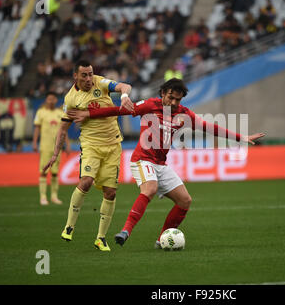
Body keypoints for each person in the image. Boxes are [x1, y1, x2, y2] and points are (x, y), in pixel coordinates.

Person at [66, 78, 265, 249]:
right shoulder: (150, 105)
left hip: (161, 164)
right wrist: (89, 114)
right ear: (163, 93)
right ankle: (125, 231)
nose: (173, 102)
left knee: (185, 201)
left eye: (178, 99)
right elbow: (119, 111)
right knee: (150, 189)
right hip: (142, 160)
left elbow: (209, 128)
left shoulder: (184, 114)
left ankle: (162, 239)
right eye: (170, 97)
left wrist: (242, 137)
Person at [42, 60, 133, 251]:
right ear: (75, 76)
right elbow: (63, 128)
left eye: (91, 74)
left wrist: (124, 96)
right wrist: (55, 154)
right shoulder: (71, 98)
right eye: (84, 75)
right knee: (86, 181)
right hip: (91, 145)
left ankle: (100, 238)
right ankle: (69, 226)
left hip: (113, 145)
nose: (89, 78)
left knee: (111, 192)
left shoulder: (101, 83)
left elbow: (125, 85)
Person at [33, 92, 71, 205]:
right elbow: (37, 128)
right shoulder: (40, 112)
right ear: (46, 100)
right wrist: (34, 142)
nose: (51, 101)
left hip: (57, 147)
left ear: (56, 100)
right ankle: (43, 197)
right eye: (49, 99)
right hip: (45, 146)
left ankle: (54, 196)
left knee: (55, 172)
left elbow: (64, 130)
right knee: (44, 171)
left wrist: (67, 144)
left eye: (53, 99)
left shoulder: (60, 113)